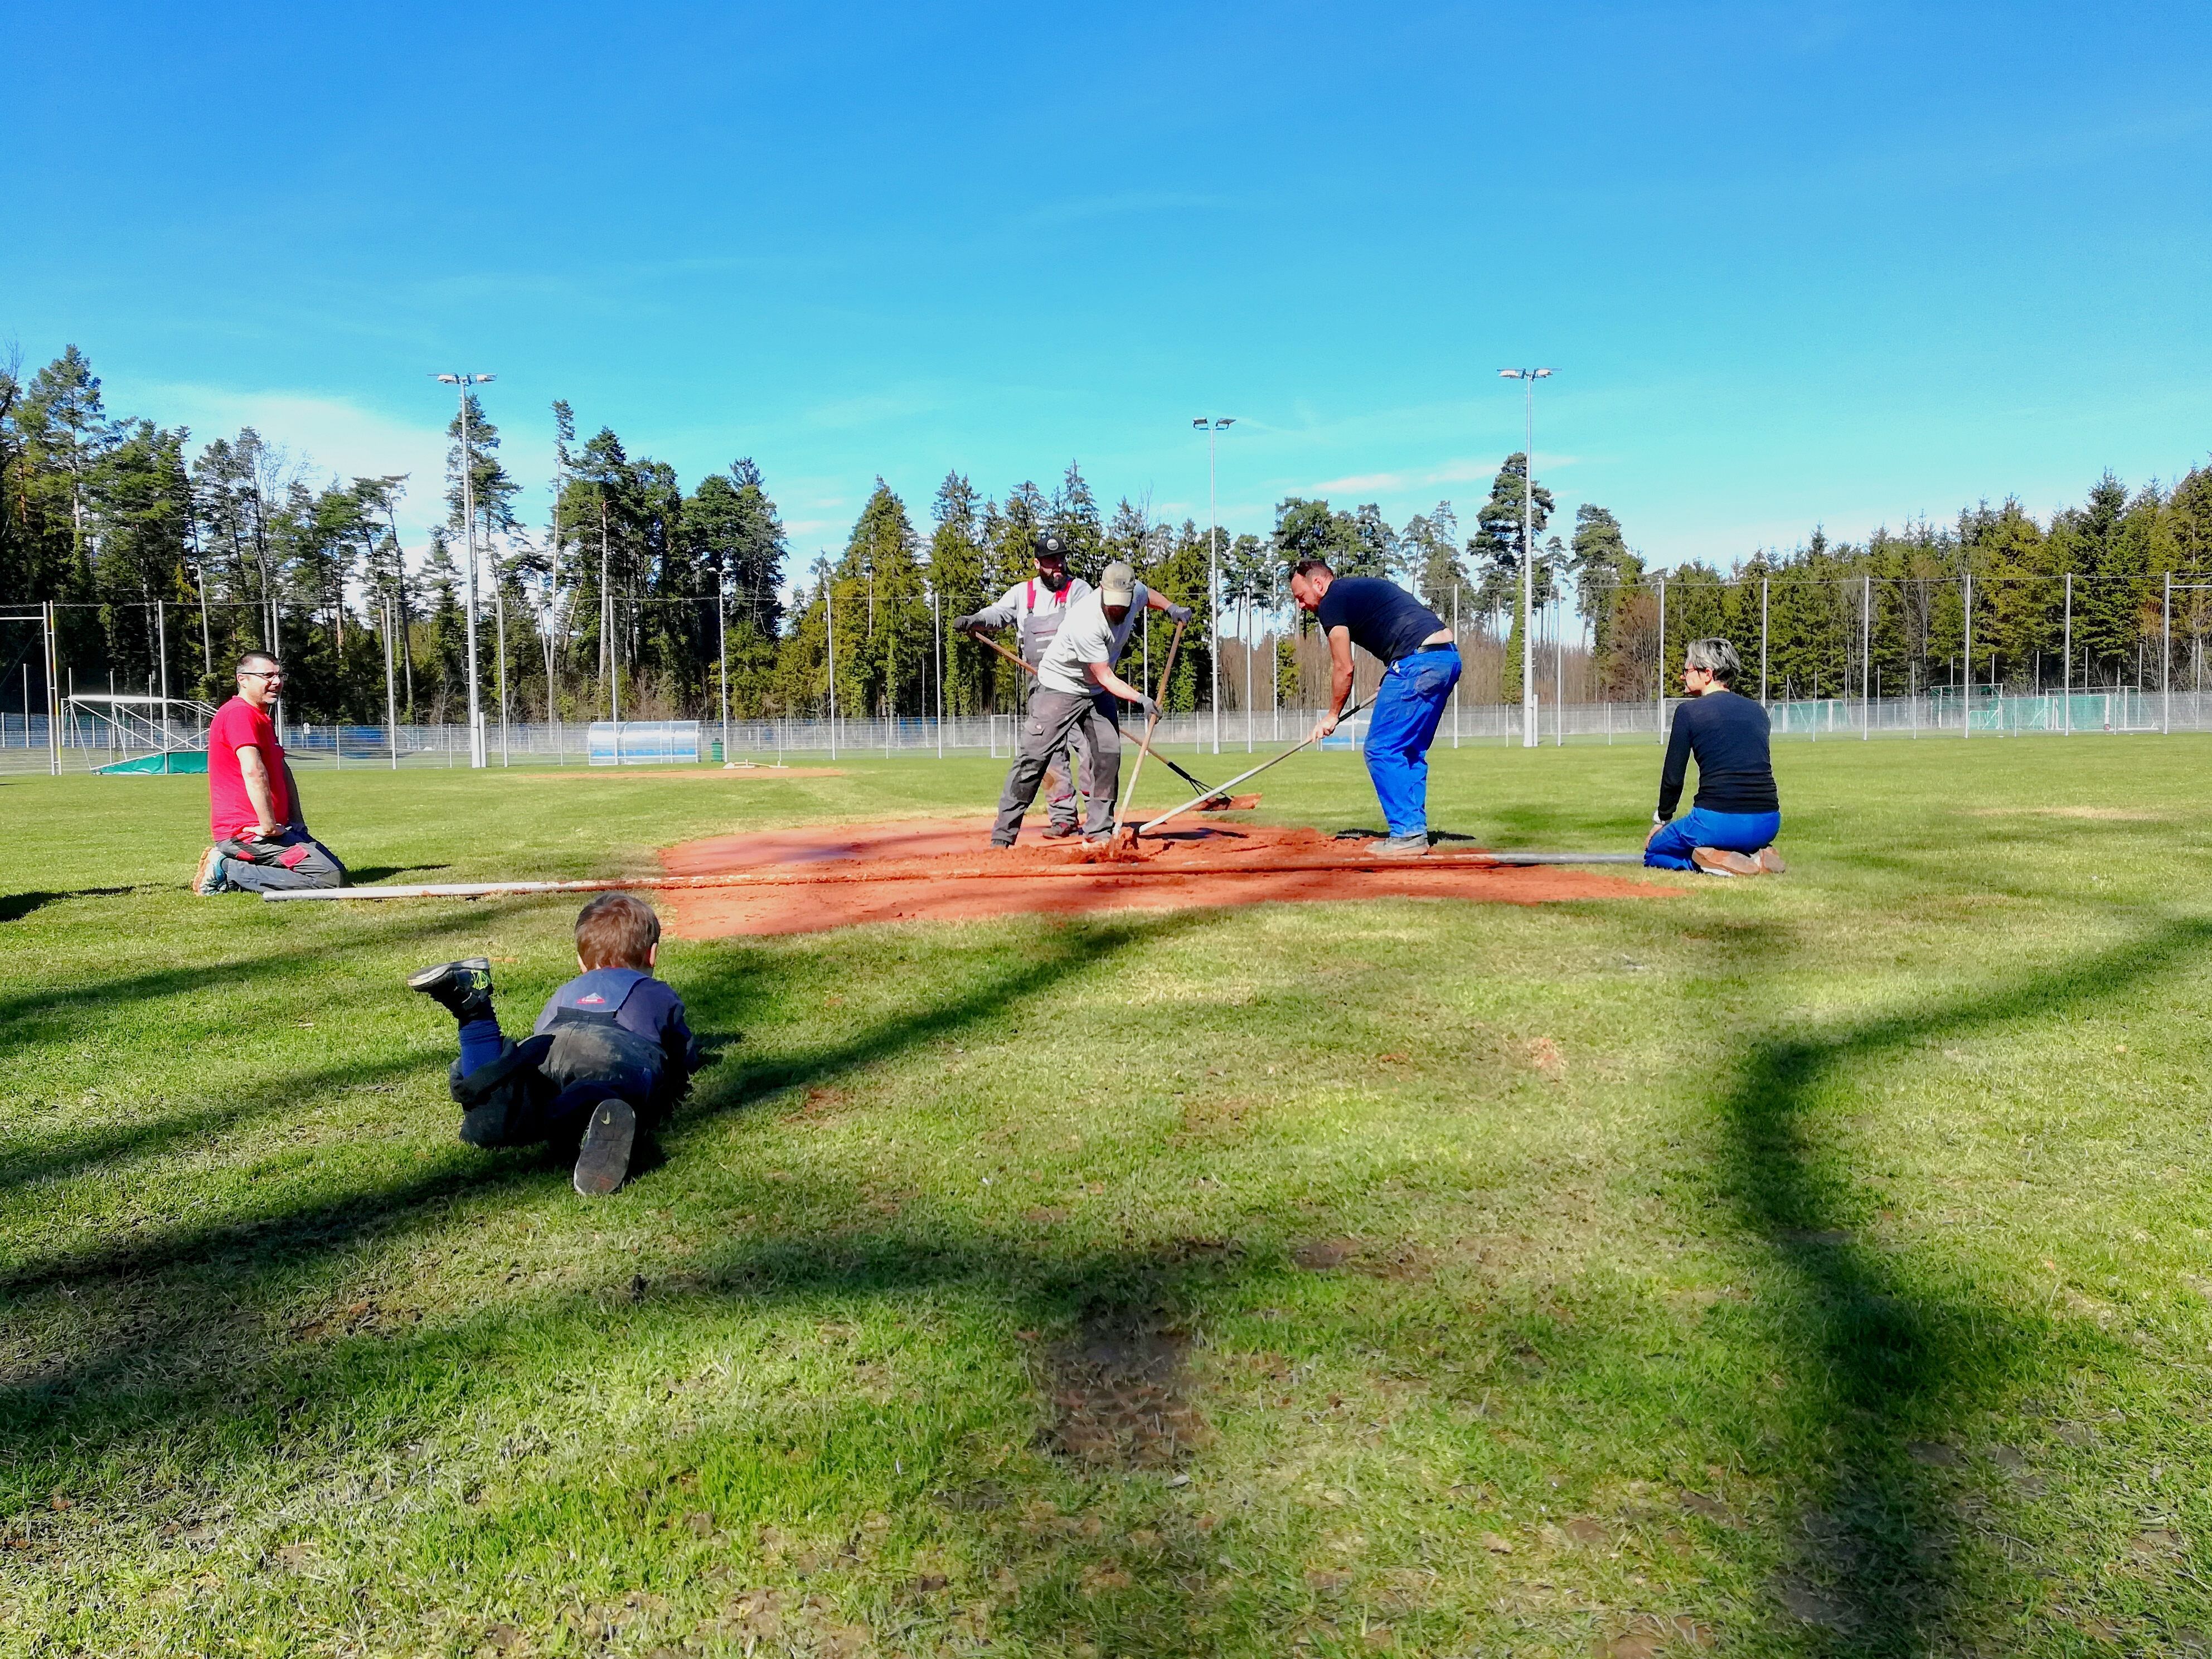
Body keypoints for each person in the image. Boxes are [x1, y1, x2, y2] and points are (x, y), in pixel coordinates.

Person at [407, 892, 707, 1196]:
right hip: (612, 1045)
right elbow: (683, 1054)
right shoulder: (656, 991)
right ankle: (592, 1109)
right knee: (607, 1087)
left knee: (502, 1094)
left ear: (580, 962)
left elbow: (544, 1030)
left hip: (547, 1044)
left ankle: (476, 1014)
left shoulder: (566, 990)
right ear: (652, 954)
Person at [991, 560, 1183, 846]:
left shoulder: (1134, 594)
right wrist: (1141, 699)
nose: (1117, 610)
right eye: (1112, 603)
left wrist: (1170, 608)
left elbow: (1148, 594)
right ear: (1102, 591)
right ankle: (1002, 838)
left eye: (1123, 604)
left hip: (1096, 693)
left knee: (1108, 753)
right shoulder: (1087, 619)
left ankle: (1099, 831)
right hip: (1058, 688)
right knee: (1034, 760)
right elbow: (1105, 676)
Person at [1288, 560, 1462, 857]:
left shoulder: (1332, 602)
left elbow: (1344, 667)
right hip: (1445, 659)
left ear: (1318, 584)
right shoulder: (1355, 589)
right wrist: (1392, 674)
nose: (1301, 605)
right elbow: (1399, 622)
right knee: (1408, 751)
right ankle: (1413, 829)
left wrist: (1332, 716)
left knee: (1382, 749)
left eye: (1300, 596)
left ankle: (1407, 835)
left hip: (1416, 663)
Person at [953, 532, 1095, 837]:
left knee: (1090, 753)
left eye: (1060, 559)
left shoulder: (1079, 591)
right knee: (1048, 758)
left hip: (1079, 687)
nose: (1057, 566)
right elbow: (999, 614)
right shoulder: (1023, 594)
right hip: (1042, 689)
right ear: (1038, 563)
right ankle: (1063, 818)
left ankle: (1097, 820)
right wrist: (974, 619)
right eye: (1049, 561)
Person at [192, 651, 348, 894]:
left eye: (279, 675)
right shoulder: (239, 714)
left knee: (334, 870)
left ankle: (233, 876)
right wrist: (266, 826)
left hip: (278, 829)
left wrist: (296, 820)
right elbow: (254, 771)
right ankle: (226, 868)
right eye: (267, 675)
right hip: (247, 834)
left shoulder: (261, 717)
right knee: (329, 878)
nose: (277, 682)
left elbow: (283, 772)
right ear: (243, 679)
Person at [1643, 637, 1784, 876]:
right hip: (1768, 822)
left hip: (1716, 822)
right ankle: (1756, 855)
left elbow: (1673, 777)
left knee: (1654, 851)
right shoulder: (1759, 712)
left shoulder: (1689, 712)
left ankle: (1709, 862)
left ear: (1707, 673)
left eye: (1687, 670)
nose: (1682, 676)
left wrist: (1662, 821)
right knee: (1729, 834)